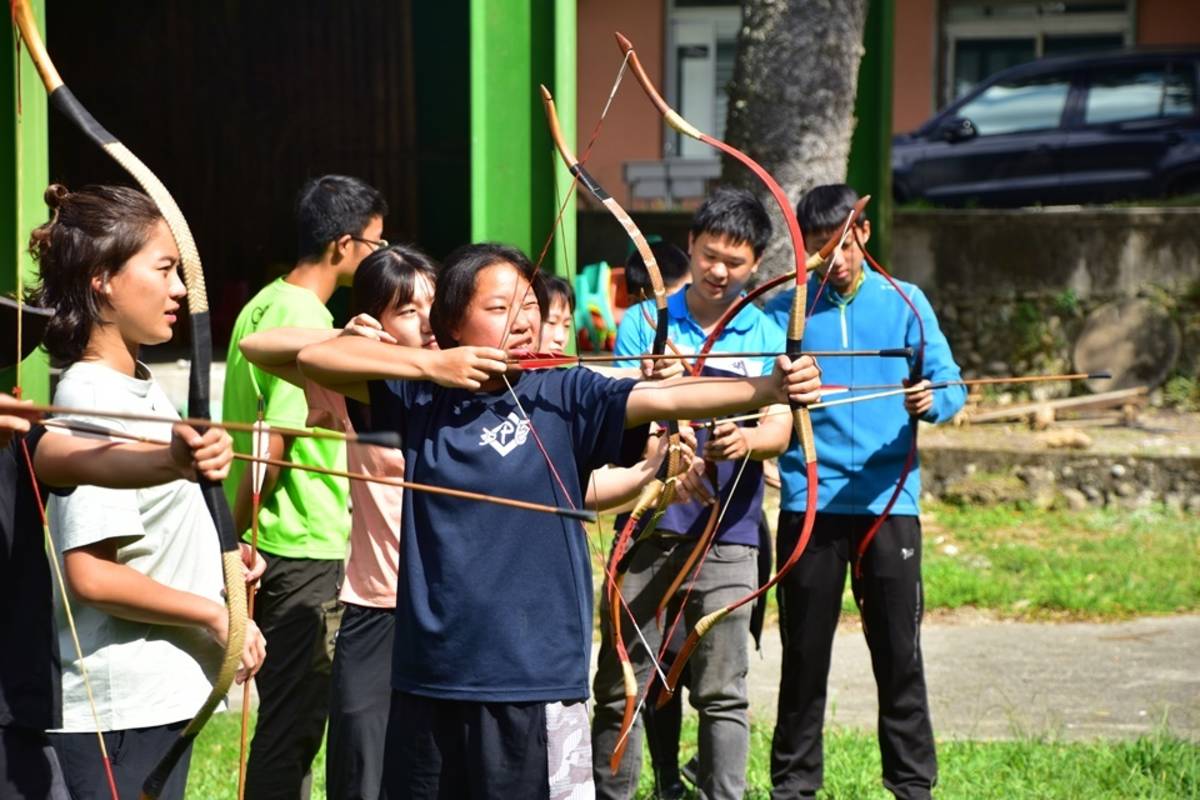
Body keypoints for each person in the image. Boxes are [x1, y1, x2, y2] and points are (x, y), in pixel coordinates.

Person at [296, 241, 822, 799]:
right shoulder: (421, 397)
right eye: (499, 309)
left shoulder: (563, 392)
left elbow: (664, 398)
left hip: (533, 678)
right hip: (432, 676)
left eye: (529, 304)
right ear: (450, 321)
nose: (523, 321)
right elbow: (305, 357)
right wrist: (429, 363)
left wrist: (767, 389)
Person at [23, 183, 265, 800]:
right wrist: (216, 615)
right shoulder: (92, 398)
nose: (181, 289)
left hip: (152, 701)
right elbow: (93, 577)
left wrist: (224, 572)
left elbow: (152, 534)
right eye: (164, 270)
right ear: (103, 279)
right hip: (118, 709)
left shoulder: (135, 383)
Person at [763, 184, 967, 800]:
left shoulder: (907, 302)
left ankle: (912, 787)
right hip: (811, 505)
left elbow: (951, 385)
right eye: (821, 251)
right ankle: (794, 788)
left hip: (889, 504)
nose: (837, 260)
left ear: (864, 234)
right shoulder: (786, 313)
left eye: (845, 244)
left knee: (899, 657)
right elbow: (759, 391)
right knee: (803, 658)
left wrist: (931, 400)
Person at [592, 187, 794, 800]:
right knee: (622, 683)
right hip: (649, 526)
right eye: (709, 255)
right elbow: (620, 414)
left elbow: (781, 426)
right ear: (690, 247)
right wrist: (658, 389)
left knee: (722, 694)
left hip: (729, 535)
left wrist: (746, 440)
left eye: (734, 262)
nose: (718, 272)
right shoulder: (645, 323)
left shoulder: (768, 329)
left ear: (756, 264)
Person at [238, 243, 436, 800]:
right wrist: (346, 341)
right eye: (407, 310)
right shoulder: (359, 386)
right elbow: (260, 346)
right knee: (359, 762)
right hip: (376, 602)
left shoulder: (460, 379)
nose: (425, 322)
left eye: (432, 307)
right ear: (376, 319)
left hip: (446, 605)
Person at [223, 174, 387, 799]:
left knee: (288, 717)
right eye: (376, 243)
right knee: (292, 725)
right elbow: (273, 442)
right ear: (344, 245)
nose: (379, 255)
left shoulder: (263, 304)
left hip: (277, 543)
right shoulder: (304, 317)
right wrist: (233, 535)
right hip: (301, 546)